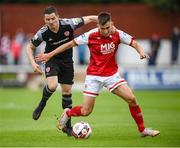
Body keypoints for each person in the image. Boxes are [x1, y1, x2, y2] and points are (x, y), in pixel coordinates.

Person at [35, 12, 160, 137]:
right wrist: (49, 55)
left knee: (132, 99)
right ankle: (68, 113)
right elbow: (69, 44)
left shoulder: (117, 33)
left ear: (112, 24)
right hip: (94, 77)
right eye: (102, 28)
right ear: (98, 25)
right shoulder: (90, 35)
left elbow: (134, 43)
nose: (105, 31)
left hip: (112, 76)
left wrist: (141, 52)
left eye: (107, 28)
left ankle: (143, 130)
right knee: (85, 111)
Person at [26, 6, 97, 136]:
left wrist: (103, 22)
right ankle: (42, 104)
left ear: (58, 17)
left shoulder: (69, 24)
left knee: (67, 92)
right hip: (51, 59)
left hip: (67, 62)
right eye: (48, 19)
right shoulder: (43, 32)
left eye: (53, 18)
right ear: (44, 20)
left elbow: (90, 18)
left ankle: (67, 127)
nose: (51, 21)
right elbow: (29, 47)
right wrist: (33, 63)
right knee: (52, 86)